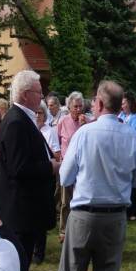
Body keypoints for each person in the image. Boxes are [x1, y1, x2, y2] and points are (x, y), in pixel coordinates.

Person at [44, 81, 136, 271]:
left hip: (84, 215)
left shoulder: (85, 134)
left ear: (99, 104)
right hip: (115, 216)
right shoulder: (132, 136)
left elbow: (65, 176)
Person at [0, 70, 59, 271]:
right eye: (38, 92)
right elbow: (19, 168)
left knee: (21, 267)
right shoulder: (16, 122)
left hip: (24, 209)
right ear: (24, 94)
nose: (42, 97)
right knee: (18, 268)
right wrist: (49, 167)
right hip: (19, 211)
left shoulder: (22, 119)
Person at [53, 91, 89, 255]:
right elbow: (57, 142)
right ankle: (63, 230)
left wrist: (83, 125)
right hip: (67, 166)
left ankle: (80, 230)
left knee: (80, 199)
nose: (79, 109)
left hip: (82, 166)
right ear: (69, 107)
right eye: (75, 106)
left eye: (81, 106)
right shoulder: (63, 121)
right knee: (65, 199)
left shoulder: (87, 122)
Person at [120, 94, 136, 221]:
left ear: (130, 103)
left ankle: (134, 211)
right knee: (125, 182)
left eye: (124, 103)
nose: (122, 105)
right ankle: (126, 209)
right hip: (123, 152)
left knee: (133, 182)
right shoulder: (122, 116)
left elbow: (132, 133)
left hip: (132, 151)